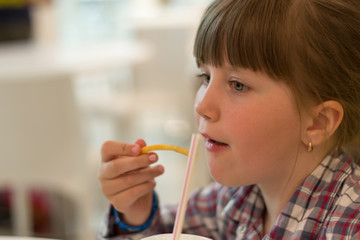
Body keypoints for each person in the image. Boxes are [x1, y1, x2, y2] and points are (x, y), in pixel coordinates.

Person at [97, 0, 360, 239]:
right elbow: (164, 231)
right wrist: (135, 212)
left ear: (318, 123)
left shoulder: (349, 224)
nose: (202, 106)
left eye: (237, 85)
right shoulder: (235, 199)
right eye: (205, 77)